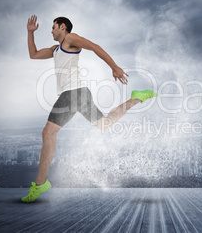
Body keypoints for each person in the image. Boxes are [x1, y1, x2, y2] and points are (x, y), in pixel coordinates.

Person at [22, 15, 157, 203]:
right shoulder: (55, 50)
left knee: (48, 133)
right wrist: (30, 33)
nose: (51, 31)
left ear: (62, 27)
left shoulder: (69, 39)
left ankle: (40, 183)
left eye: (53, 27)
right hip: (79, 95)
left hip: (73, 93)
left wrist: (115, 67)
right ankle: (136, 98)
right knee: (105, 125)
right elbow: (33, 54)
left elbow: (94, 47)